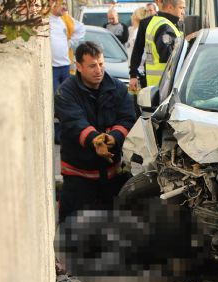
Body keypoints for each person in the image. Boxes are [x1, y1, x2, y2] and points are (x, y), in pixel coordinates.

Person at [54, 41, 136, 223]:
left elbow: (127, 119)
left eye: (101, 64)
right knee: (74, 231)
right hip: (78, 178)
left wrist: (113, 139)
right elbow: (74, 122)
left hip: (111, 177)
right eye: (92, 66)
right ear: (79, 67)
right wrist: (95, 140)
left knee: (111, 231)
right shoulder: (65, 92)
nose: (98, 70)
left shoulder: (117, 88)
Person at [50, 0, 85, 144]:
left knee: (66, 99)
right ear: (52, 4)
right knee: (56, 101)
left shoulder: (65, 19)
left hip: (65, 66)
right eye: (62, 4)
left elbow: (81, 28)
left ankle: (66, 132)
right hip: (52, 68)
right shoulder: (45, 21)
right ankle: (59, 134)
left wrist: (70, 43)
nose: (65, 7)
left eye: (65, 3)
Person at [128, 0, 184, 91]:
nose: (183, 11)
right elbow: (138, 50)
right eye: (181, 8)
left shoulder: (176, 23)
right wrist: (133, 75)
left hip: (162, 83)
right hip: (163, 84)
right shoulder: (154, 24)